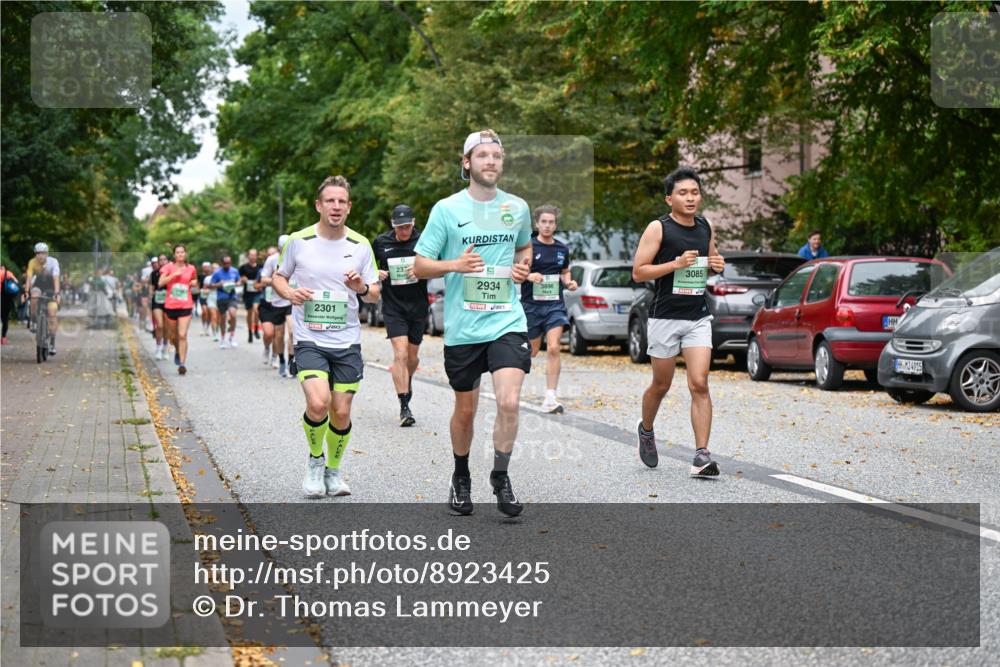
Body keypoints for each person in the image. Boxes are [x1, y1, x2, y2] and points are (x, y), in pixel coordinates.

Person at [413, 129, 533, 518]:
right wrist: (455, 265)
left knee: (510, 400)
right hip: (464, 327)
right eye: (483, 155)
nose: (491, 162)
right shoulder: (446, 210)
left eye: (497, 156)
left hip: (506, 319)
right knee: (466, 411)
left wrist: (523, 266)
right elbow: (419, 265)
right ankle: (461, 475)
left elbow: (525, 246)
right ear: (467, 163)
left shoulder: (517, 207)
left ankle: (501, 474)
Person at [271, 175, 380, 499]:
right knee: (318, 403)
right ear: (319, 205)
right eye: (329, 201)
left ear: (348, 207)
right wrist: (289, 292)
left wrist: (360, 286)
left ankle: (333, 470)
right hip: (310, 338)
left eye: (341, 202)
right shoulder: (298, 241)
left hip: (346, 340)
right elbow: (278, 277)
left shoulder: (360, 245)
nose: (335, 206)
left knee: (341, 412)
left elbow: (374, 293)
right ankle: (315, 461)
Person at [632, 167, 725, 477]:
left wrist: (716, 264)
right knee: (661, 384)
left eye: (695, 192)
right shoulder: (659, 228)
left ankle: (701, 455)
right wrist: (674, 264)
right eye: (683, 193)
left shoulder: (705, 226)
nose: (690, 198)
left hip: (697, 316)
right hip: (664, 316)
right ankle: (646, 429)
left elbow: (710, 261)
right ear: (669, 198)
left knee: (699, 383)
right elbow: (639, 271)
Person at [374, 204, 430, 427]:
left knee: (412, 358)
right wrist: (374, 272)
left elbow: (435, 265)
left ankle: (407, 381)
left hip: (417, 307)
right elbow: (366, 266)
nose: (404, 230)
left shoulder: (424, 241)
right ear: (393, 225)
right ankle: (404, 406)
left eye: (407, 226)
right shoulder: (380, 243)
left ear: (413, 223)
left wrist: (421, 269)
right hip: (393, 307)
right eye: (399, 227)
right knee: (401, 354)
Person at [522, 205, 578, 413]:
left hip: (555, 305)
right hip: (531, 306)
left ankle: (550, 396)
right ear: (537, 224)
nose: (547, 225)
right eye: (543, 222)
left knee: (554, 347)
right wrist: (529, 276)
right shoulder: (529, 246)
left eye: (551, 222)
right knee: (532, 351)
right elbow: (516, 270)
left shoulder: (562, 249)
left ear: (555, 225)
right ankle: (508, 382)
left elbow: (565, 272)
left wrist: (570, 282)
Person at [158, 244, 198, 375]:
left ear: (185, 254)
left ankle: (182, 363)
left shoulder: (191, 268)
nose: (180, 254)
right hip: (171, 305)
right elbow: (160, 283)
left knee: (182, 335)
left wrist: (194, 282)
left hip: (186, 305)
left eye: (182, 252)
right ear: (174, 255)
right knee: (172, 336)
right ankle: (177, 349)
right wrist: (173, 275)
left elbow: (194, 279)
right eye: (177, 252)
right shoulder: (168, 267)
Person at [259, 237, 293, 377]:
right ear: (279, 248)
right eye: (282, 248)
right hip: (277, 301)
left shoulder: (297, 257)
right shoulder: (272, 260)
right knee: (278, 336)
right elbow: (263, 279)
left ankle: (291, 363)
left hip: (292, 300)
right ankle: (281, 360)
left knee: (292, 332)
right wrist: (275, 280)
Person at [26, 242, 61, 355]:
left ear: (47, 254)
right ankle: (34, 320)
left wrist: (57, 293)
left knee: (52, 314)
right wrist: (26, 291)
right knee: (34, 296)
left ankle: (52, 342)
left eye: (43, 253)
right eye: (38, 253)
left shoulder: (53, 262)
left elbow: (56, 278)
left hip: (51, 287)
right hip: (38, 285)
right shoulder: (32, 262)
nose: (40, 256)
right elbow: (29, 277)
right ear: (35, 254)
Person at [209, 256, 241, 348]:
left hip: (232, 296)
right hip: (221, 298)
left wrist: (238, 283)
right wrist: (218, 284)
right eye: (225, 263)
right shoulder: (217, 273)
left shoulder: (234, 271)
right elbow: (210, 285)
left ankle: (232, 337)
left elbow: (238, 280)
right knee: (222, 319)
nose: (227, 265)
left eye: (229, 263)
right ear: (222, 263)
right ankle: (222, 339)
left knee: (233, 314)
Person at [239, 248, 263, 345]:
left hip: (257, 291)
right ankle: (250, 332)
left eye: (254, 255)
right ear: (248, 256)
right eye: (251, 255)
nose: (253, 257)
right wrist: (243, 279)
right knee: (249, 313)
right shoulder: (243, 268)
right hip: (248, 293)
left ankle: (256, 328)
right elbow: (240, 278)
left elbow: (264, 276)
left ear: (257, 256)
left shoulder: (261, 267)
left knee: (256, 310)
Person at [150, 255, 169, 358]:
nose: (162, 261)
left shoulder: (171, 272)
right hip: (157, 300)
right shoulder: (154, 273)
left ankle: (165, 348)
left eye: (164, 259)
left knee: (166, 327)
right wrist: (150, 294)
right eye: (160, 260)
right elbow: (152, 287)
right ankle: (158, 347)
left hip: (168, 301)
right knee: (159, 325)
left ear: (168, 261)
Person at [1, 263, 20, 344]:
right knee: (5, 319)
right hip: (7, 299)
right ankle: (3, 338)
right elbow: (16, 282)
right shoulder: (8, 273)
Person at [199, 262, 216, 337]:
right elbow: (199, 285)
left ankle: (207, 327)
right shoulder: (202, 276)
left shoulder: (216, 277)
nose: (206, 268)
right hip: (203, 295)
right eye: (205, 267)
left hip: (211, 296)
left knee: (209, 313)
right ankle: (204, 326)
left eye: (207, 267)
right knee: (204, 311)